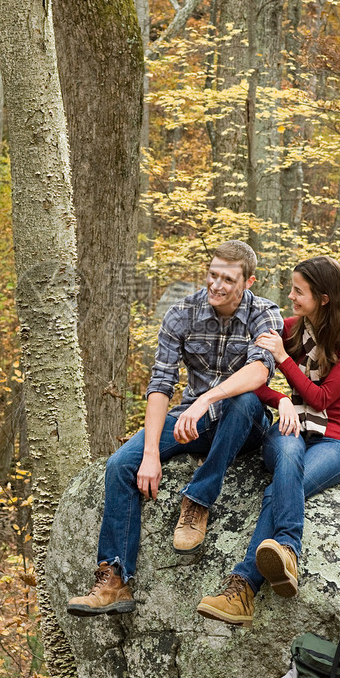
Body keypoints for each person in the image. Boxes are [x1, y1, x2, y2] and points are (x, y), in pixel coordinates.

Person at [67, 241, 283, 617]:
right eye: (213, 274)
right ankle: (115, 578)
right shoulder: (181, 313)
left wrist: (205, 400)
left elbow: (259, 372)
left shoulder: (265, 314)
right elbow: (161, 384)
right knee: (121, 464)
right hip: (190, 420)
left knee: (245, 399)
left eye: (228, 279)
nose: (216, 285)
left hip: (242, 424)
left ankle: (198, 500)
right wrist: (150, 453)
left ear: (248, 281)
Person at [197, 255, 340, 627]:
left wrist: (283, 359)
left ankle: (243, 588)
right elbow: (248, 377)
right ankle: (287, 551)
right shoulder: (287, 329)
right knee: (288, 455)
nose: (290, 296)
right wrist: (279, 400)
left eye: (298, 291)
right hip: (291, 430)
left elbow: (323, 398)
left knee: (280, 489)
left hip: (336, 441)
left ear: (323, 298)